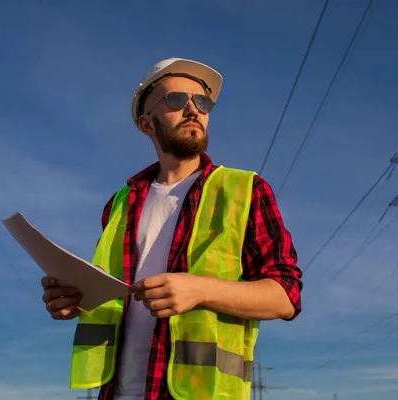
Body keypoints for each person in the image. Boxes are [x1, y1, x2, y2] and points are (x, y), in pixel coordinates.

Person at [40, 58, 303, 400]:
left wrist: (199, 290)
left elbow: (286, 296)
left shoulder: (245, 190)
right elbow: (114, 300)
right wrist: (73, 301)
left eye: (203, 102)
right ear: (147, 123)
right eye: (177, 100)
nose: (193, 110)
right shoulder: (119, 204)